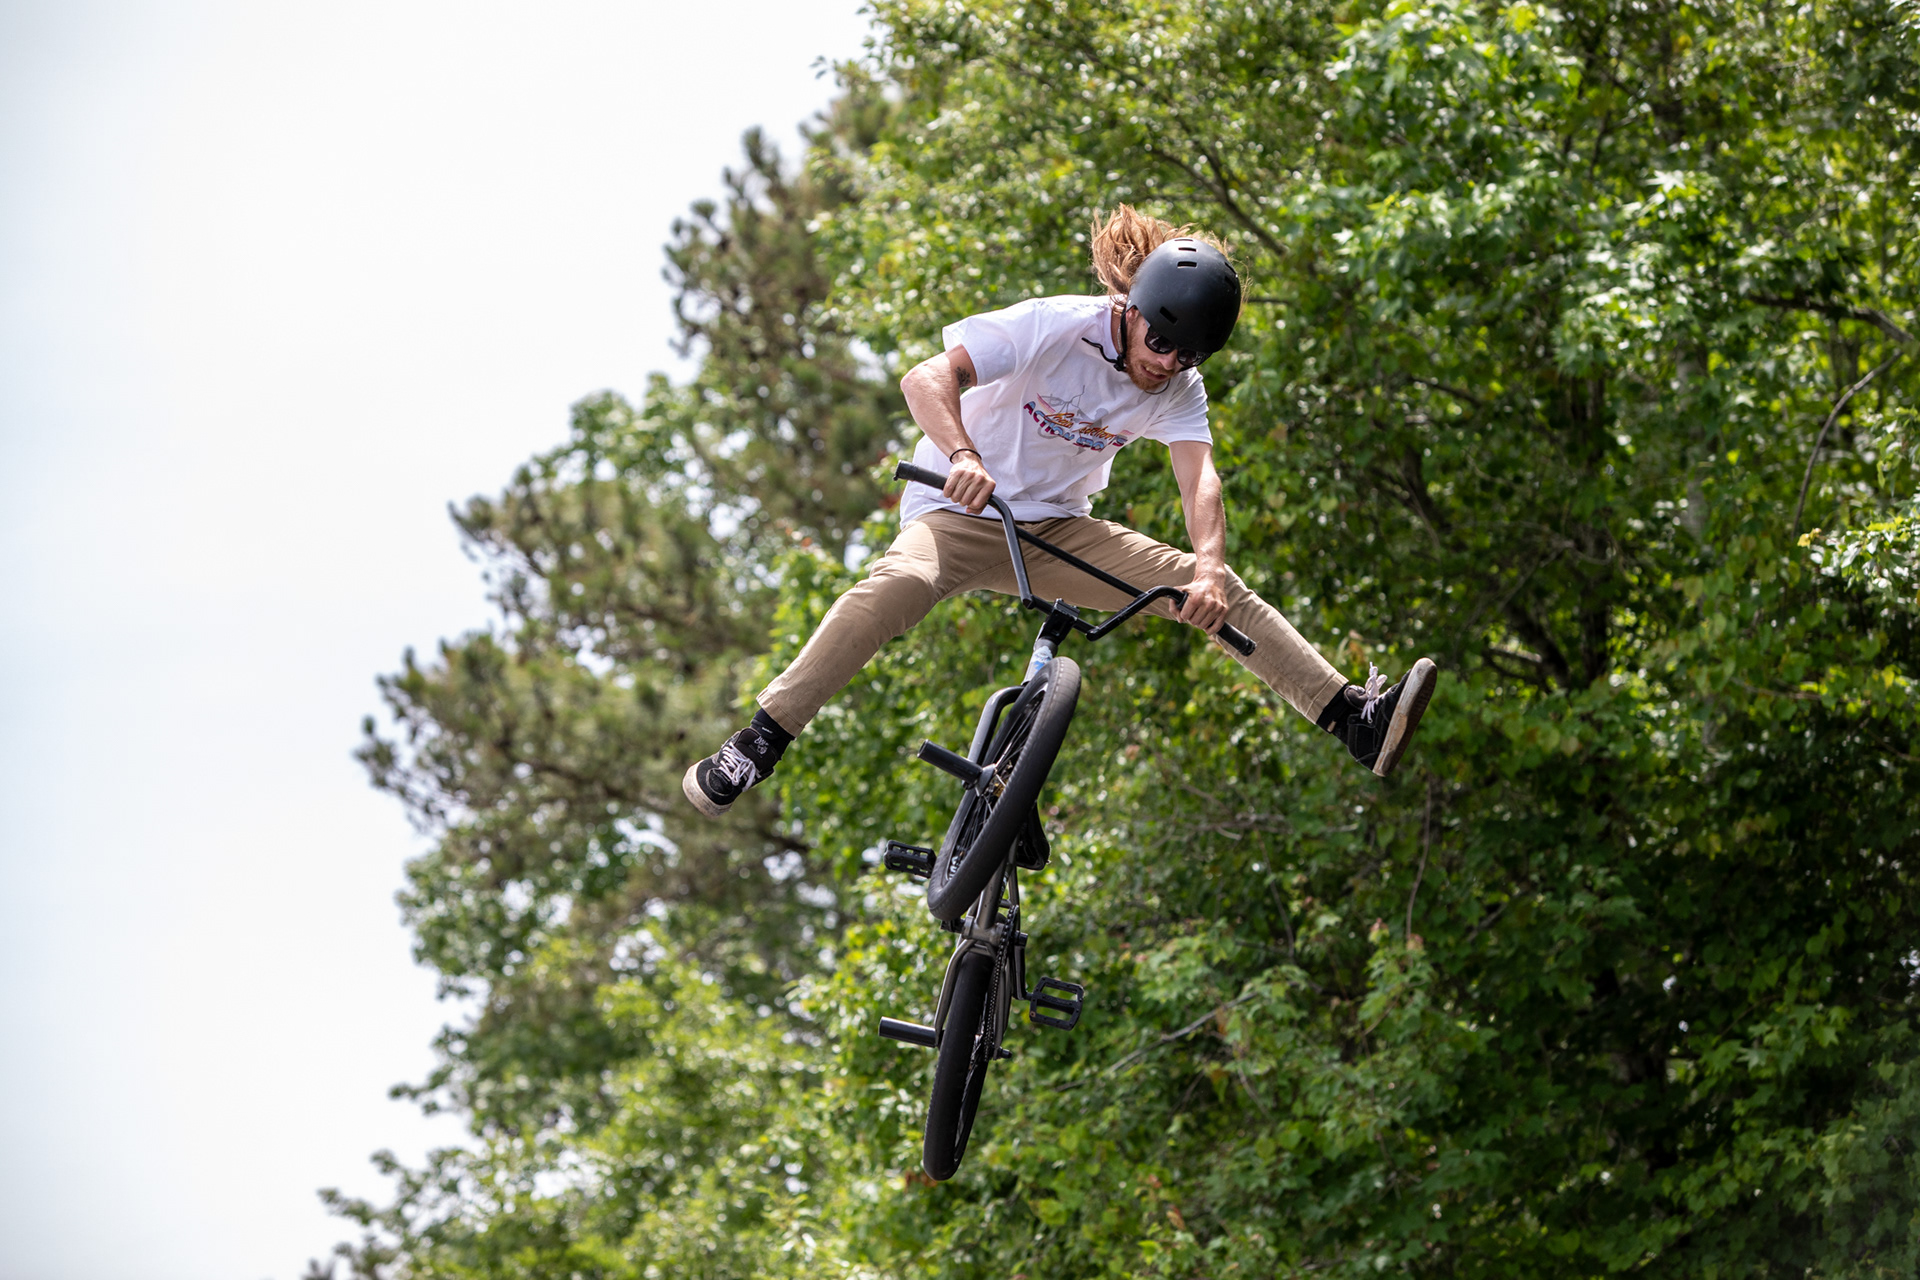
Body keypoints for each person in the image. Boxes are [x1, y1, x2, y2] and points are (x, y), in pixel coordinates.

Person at [683, 206, 1436, 819]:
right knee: (893, 589)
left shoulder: (1177, 387)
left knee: (1210, 588)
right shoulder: (1054, 324)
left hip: (1056, 530)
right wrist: (963, 455)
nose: (1165, 363)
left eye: (1188, 355)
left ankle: (1352, 720)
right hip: (957, 513)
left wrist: (1207, 568)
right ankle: (757, 743)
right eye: (1160, 341)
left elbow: (1199, 477)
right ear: (1131, 310)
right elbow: (925, 378)